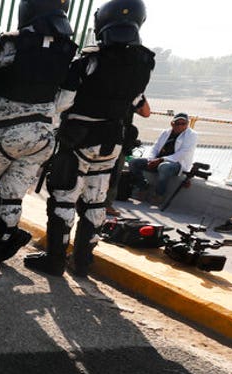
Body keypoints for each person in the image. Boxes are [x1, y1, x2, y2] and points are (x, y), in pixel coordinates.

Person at [24, 0, 153, 277]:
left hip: (78, 140)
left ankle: (55, 260)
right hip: (113, 143)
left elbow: (62, 103)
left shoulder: (89, 60)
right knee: (96, 201)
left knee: (63, 197)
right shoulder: (144, 62)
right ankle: (83, 263)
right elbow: (137, 102)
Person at [0, 0, 77, 272]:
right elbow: (65, 100)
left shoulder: (12, 43)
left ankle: (9, 235)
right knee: (13, 195)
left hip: (6, 131)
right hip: (43, 135)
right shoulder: (67, 49)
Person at [128, 112, 197, 203]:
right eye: (177, 123)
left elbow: (183, 153)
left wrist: (161, 160)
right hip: (157, 160)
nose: (180, 126)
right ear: (172, 123)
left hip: (177, 164)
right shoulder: (166, 132)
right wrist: (151, 160)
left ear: (187, 124)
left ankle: (159, 195)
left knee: (164, 167)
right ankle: (143, 187)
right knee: (134, 162)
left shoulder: (192, 135)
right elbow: (155, 147)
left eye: (183, 124)